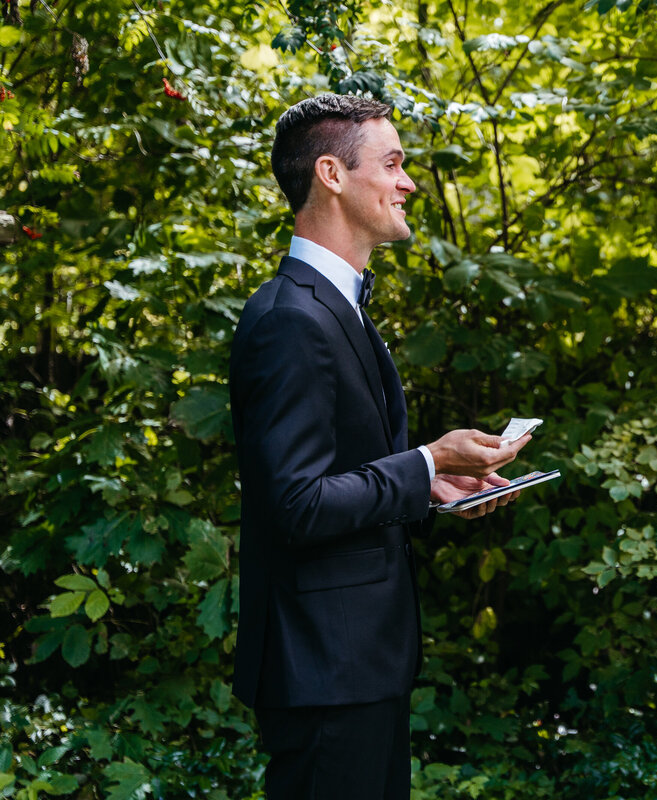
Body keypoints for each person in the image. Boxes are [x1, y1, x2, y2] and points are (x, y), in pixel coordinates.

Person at [228, 94, 531, 800]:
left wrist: (430, 488)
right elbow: (294, 504)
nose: (409, 182)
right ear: (331, 175)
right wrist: (427, 460)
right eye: (392, 164)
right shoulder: (290, 318)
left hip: (358, 663)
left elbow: (341, 475)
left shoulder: (340, 305)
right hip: (323, 666)